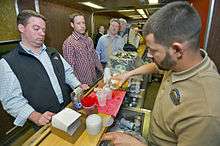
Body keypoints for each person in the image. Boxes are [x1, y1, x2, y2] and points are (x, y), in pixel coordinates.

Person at [102, 2, 220, 146]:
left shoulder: (206, 113)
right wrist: (128, 74)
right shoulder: (178, 63)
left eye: (153, 50)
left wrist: (134, 144)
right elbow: (157, 66)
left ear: (177, 50)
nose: (149, 55)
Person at [0, 10, 89, 127]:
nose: (42, 33)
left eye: (43, 30)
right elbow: (11, 99)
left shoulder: (53, 52)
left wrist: (77, 86)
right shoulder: (8, 62)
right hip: (45, 119)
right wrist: (35, 116)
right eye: (36, 29)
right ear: (21, 28)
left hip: (68, 108)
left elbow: (67, 73)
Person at [62, 12, 103, 85]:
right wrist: (78, 85)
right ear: (72, 25)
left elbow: (94, 57)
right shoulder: (69, 43)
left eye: (83, 23)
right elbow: (70, 68)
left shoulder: (89, 40)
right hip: (82, 84)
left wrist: (102, 70)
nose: (82, 26)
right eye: (78, 23)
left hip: (94, 79)